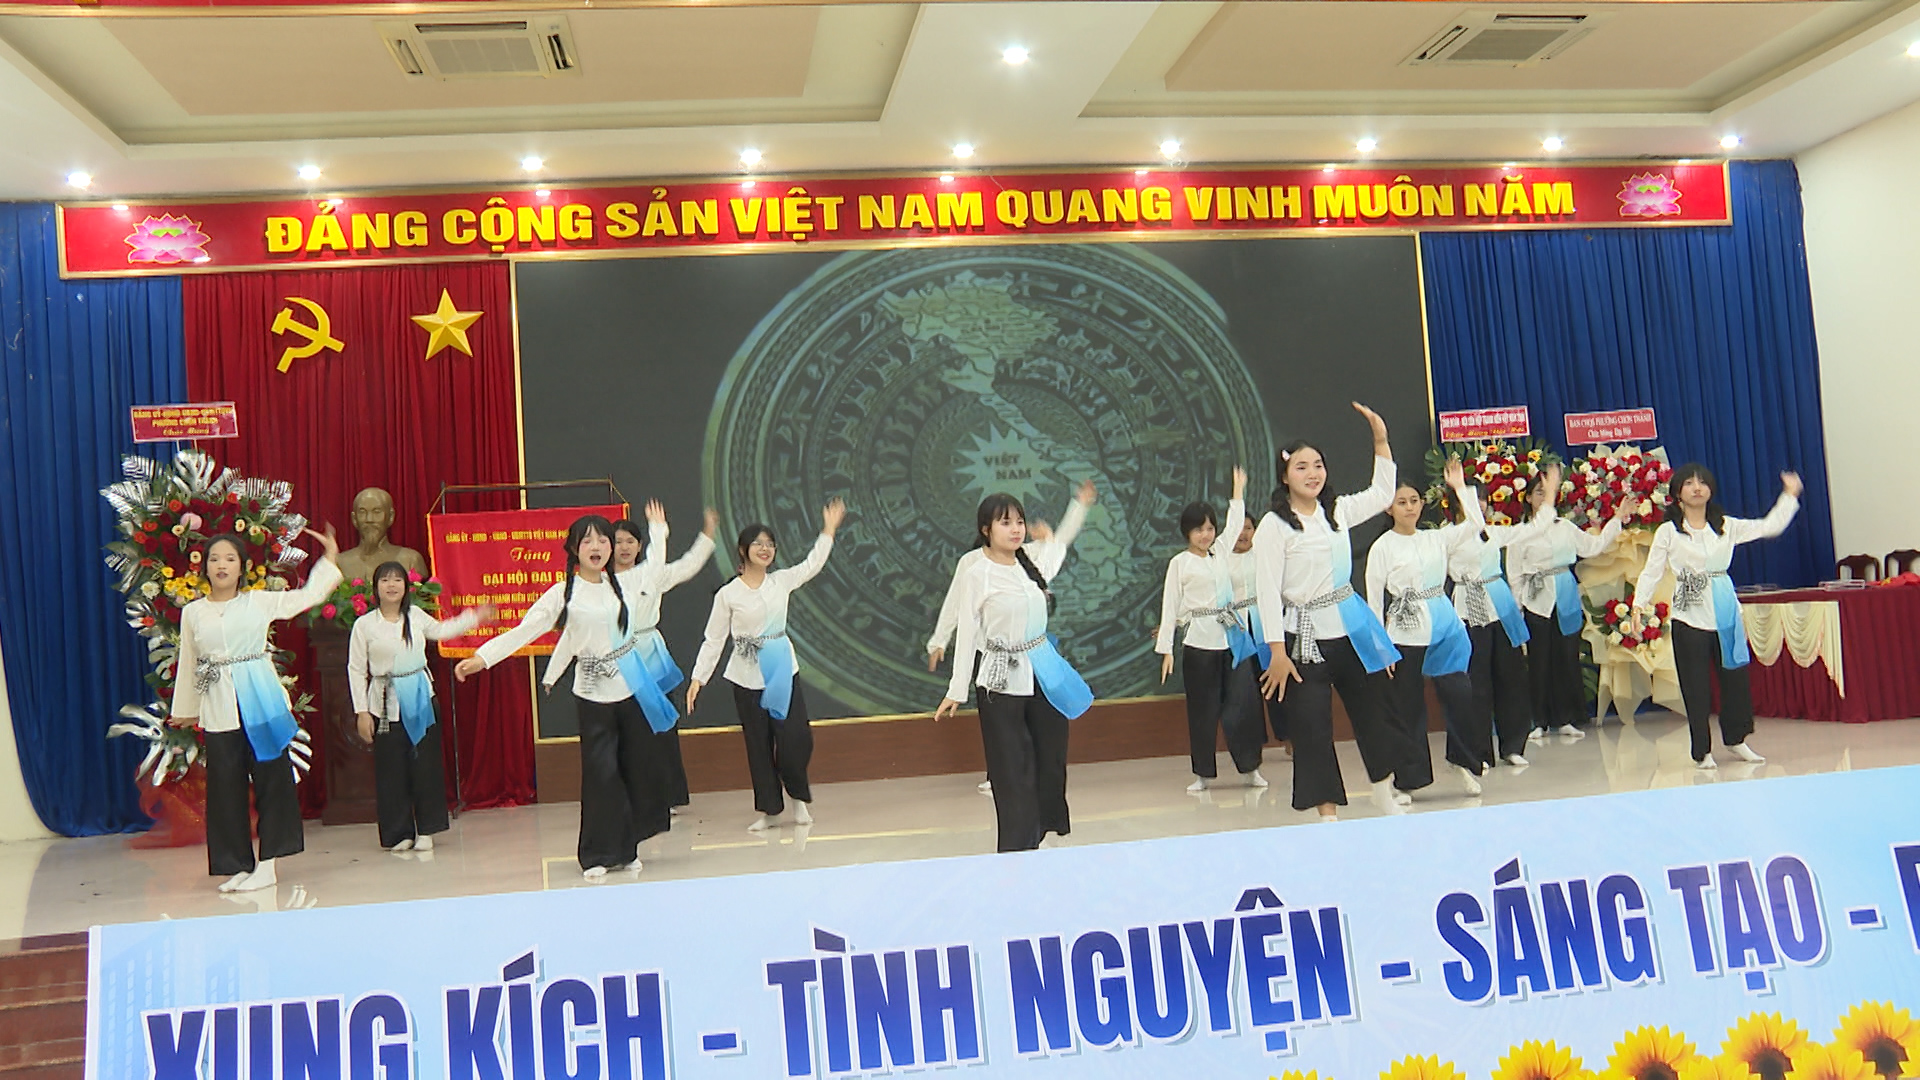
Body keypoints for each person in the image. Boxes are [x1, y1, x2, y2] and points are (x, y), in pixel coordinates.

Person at [455, 514, 674, 879]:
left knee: (633, 768)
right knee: (601, 773)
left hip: (632, 686)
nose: (596, 547)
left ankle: (626, 849)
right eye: (587, 541)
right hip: (592, 693)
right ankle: (596, 854)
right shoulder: (563, 594)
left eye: (603, 540)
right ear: (574, 548)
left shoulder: (623, 583)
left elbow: (655, 568)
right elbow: (526, 629)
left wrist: (658, 531)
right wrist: (482, 657)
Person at [1254, 402, 1415, 823]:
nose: (1313, 474)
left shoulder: (1337, 511)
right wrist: (1276, 652)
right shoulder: (1274, 525)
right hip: (1302, 640)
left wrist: (1380, 439)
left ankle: (1383, 792)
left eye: (1318, 465)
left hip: (1350, 631)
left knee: (1374, 714)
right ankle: (1327, 813)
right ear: (1285, 476)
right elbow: (1266, 591)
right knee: (1312, 729)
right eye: (1302, 467)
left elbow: (1382, 494)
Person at [171, 526, 343, 893]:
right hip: (219, 705)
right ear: (204, 567)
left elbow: (308, 596)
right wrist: (187, 708)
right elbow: (191, 662)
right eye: (215, 559)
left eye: (230, 559)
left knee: (272, 780)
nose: (222, 565)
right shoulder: (194, 612)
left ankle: (269, 865)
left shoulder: (258, 602)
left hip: (261, 700)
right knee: (225, 788)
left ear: (242, 567)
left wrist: (329, 560)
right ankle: (236, 864)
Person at [936, 480, 1099, 852]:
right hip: (1000, 680)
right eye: (1005, 523)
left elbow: (1059, 542)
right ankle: (1015, 848)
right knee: (1011, 768)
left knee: (1050, 757)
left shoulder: (1032, 561)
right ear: (986, 530)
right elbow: (967, 632)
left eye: (1019, 522)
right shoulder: (976, 572)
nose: (1015, 529)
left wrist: (1079, 506)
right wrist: (957, 689)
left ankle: (1040, 832)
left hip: (1042, 670)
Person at [687, 499, 846, 832]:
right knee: (758, 745)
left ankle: (798, 798)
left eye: (770, 544)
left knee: (794, 739)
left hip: (781, 670)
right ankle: (770, 810)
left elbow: (812, 563)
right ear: (743, 550)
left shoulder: (781, 581)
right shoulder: (728, 594)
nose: (765, 549)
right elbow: (714, 639)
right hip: (745, 676)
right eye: (758, 544)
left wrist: (828, 530)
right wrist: (698, 678)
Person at [1633, 466, 1802, 769]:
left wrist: (1789, 496)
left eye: (1702, 482)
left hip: (1724, 610)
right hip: (1688, 613)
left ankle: (1737, 739)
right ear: (1678, 493)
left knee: (1734, 679)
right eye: (1689, 483)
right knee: (1695, 685)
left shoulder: (1726, 525)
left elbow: (1769, 526)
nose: (1697, 487)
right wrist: (1638, 606)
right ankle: (1702, 751)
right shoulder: (1668, 532)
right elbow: (1652, 571)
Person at [1364, 461, 1489, 798]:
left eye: (1414, 500)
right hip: (1405, 631)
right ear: (1389, 508)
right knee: (1408, 707)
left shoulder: (1436, 538)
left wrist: (1460, 488)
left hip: (1446, 624)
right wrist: (1380, 649)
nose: (1409, 507)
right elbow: (1374, 600)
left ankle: (1462, 761)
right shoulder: (1382, 547)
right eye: (1402, 502)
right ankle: (1409, 779)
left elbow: (1476, 523)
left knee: (1460, 695)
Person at [348, 562, 493, 852]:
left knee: (425, 766)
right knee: (391, 770)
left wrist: (474, 617)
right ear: (375, 587)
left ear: (406, 586)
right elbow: (355, 668)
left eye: (397, 580)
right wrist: (362, 711)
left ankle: (427, 829)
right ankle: (398, 833)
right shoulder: (364, 625)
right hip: (385, 705)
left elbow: (442, 630)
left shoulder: (414, 616)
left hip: (420, 700)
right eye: (385, 580)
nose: (391, 585)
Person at [1155, 467, 1267, 791]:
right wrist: (1166, 650)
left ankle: (1250, 769)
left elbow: (1235, 523)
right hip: (1198, 644)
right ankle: (1203, 774)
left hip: (1232, 640)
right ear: (1187, 533)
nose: (1205, 535)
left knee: (1243, 706)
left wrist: (1237, 491)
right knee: (1202, 711)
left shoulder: (1220, 552)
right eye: (1198, 530)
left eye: (1209, 529)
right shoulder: (1180, 563)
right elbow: (1170, 606)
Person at [1505, 473, 1634, 741]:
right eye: (1539, 492)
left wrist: (1616, 519)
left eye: (1548, 491)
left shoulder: (1564, 527)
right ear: (1528, 498)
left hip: (1565, 594)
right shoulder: (1521, 533)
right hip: (1536, 599)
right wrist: (1517, 609)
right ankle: (1538, 721)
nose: (1544, 497)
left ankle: (1564, 718)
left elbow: (1593, 547)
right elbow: (1515, 574)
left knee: (1566, 656)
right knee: (1539, 660)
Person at [611, 502, 718, 812]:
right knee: (624, 728)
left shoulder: (652, 574)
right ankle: (629, 792)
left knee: (661, 726)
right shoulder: (601, 583)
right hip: (617, 660)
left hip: (651, 655)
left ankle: (668, 795)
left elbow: (688, 565)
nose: (624, 547)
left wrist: (708, 533)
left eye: (630, 541)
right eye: (618, 541)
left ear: (640, 546)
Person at [1446, 469, 1556, 767]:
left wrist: (1551, 494)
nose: (1480, 504)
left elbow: (1534, 528)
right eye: (1473, 498)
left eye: (1482, 498)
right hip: (1469, 610)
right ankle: (1478, 752)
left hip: (1501, 606)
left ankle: (1513, 745)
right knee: (1476, 683)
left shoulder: (1493, 533)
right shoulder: (1447, 537)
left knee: (1512, 677)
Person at [1223, 506, 1288, 759]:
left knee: (1277, 681)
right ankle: (1253, 745)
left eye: (1248, 528)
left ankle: (1289, 736)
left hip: (1265, 623)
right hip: (1237, 628)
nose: (1243, 534)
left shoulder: (1264, 554)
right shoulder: (1221, 559)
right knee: (1246, 690)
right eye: (1238, 529)